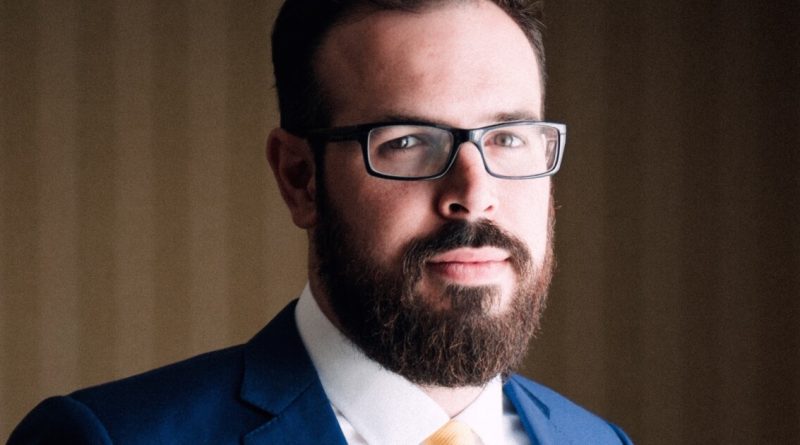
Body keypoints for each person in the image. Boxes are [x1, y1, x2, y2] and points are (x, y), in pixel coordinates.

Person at [9, 0, 632, 443]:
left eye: (509, 138)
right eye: (408, 142)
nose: (474, 195)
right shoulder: (107, 437)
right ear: (300, 178)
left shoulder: (599, 440)